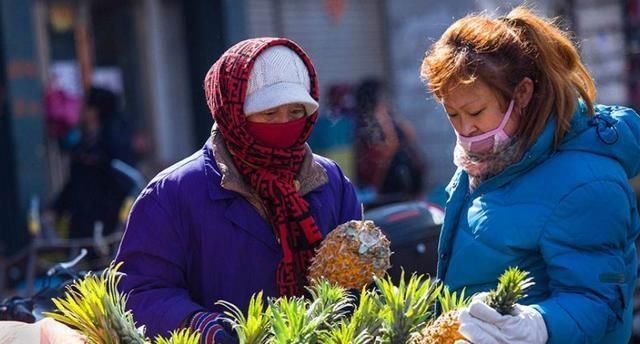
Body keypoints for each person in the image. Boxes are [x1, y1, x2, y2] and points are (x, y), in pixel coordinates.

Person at [114, 38, 361, 342]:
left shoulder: (328, 181)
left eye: (296, 112)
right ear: (232, 112)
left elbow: (360, 281)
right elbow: (140, 290)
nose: (284, 123)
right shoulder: (173, 194)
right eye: (269, 113)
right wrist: (199, 325)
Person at [421, 6, 640, 344]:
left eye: (476, 112)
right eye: (453, 114)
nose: (466, 129)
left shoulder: (588, 182)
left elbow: (598, 301)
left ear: (522, 93)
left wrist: (537, 324)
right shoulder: (488, 161)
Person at [49, 86, 136, 239]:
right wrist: (56, 209)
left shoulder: (114, 145)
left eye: (84, 105)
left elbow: (123, 182)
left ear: (94, 111)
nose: (80, 110)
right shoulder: (83, 144)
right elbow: (75, 184)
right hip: (82, 223)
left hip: (108, 224)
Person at [354, 78, 425, 201]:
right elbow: (391, 145)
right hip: (393, 183)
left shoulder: (386, 117)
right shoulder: (372, 121)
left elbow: (403, 139)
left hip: (399, 181)